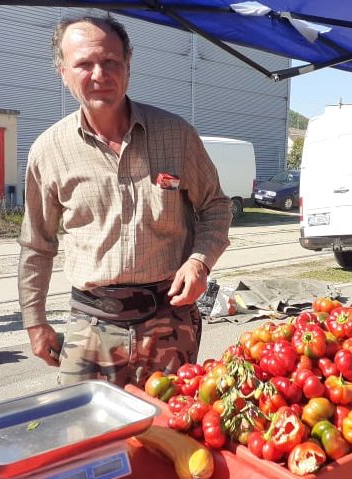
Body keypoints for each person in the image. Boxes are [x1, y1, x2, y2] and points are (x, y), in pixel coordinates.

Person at [18, 15, 232, 388]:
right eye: (83, 63)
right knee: (82, 434)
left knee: (170, 434)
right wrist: (35, 320)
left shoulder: (176, 135)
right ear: (62, 71)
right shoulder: (48, 150)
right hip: (92, 326)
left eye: (110, 61)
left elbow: (215, 206)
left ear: (128, 64)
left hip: (169, 321)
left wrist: (200, 262)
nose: (99, 73)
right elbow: (37, 244)